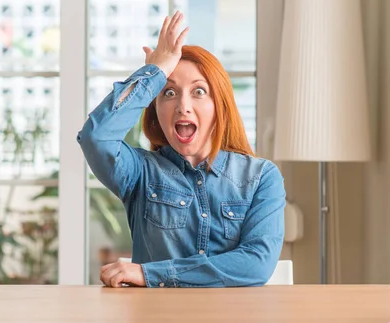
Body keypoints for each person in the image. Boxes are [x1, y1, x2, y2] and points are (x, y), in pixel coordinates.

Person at [77, 11, 286, 288]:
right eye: (169, 92)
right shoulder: (140, 173)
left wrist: (151, 274)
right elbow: (96, 136)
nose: (183, 106)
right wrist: (156, 73)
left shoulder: (261, 177)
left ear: (218, 106)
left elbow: (256, 263)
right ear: (156, 111)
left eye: (199, 92)